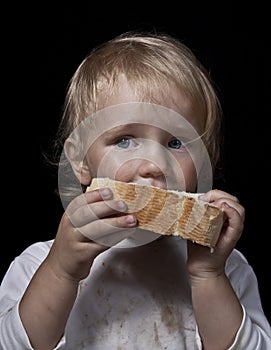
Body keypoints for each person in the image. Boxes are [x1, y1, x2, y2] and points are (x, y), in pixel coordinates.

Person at [0, 31, 270, 350]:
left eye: (176, 143)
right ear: (80, 160)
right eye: (124, 140)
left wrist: (207, 276)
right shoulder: (38, 264)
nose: (154, 165)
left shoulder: (225, 266)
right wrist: (61, 272)